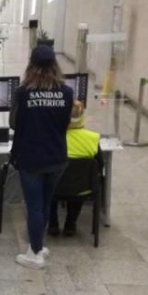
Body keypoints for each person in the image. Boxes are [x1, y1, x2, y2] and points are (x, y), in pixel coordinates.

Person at [9, 45, 74, 270]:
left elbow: (13, 123)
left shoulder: (22, 92)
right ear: (55, 65)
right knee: (46, 203)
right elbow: (65, 123)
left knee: (34, 206)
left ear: (31, 66)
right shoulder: (67, 93)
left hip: (31, 158)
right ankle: (37, 246)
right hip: (57, 157)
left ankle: (35, 254)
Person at [48, 100, 103, 236]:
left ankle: (53, 224)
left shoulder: (52, 138)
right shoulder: (93, 138)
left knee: (48, 181)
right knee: (80, 182)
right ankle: (70, 224)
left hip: (54, 188)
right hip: (82, 189)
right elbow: (100, 164)